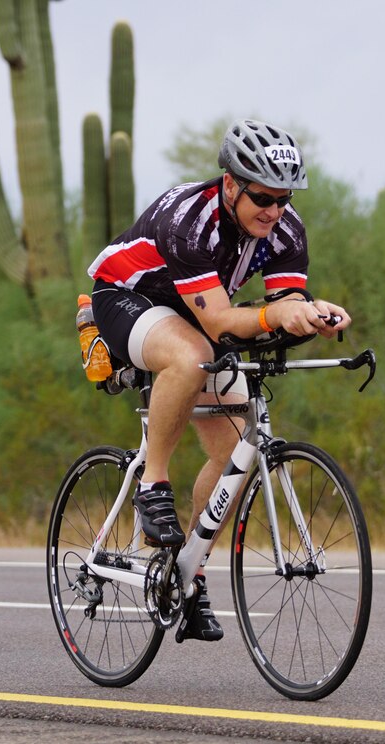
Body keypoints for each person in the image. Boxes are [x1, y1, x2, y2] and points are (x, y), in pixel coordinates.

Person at [88, 118, 351, 641]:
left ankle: (188, 572)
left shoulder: (284, 227)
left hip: (197, 313)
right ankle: (153, 483)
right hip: (127, 297)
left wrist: (313, 313)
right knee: (190, 357)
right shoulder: (191, 220)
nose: (275, 211)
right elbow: (217, 323)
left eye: (284, 199)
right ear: (230, 184)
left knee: (231, 452)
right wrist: (274, 316)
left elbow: (283, 302)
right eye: (263, 198)